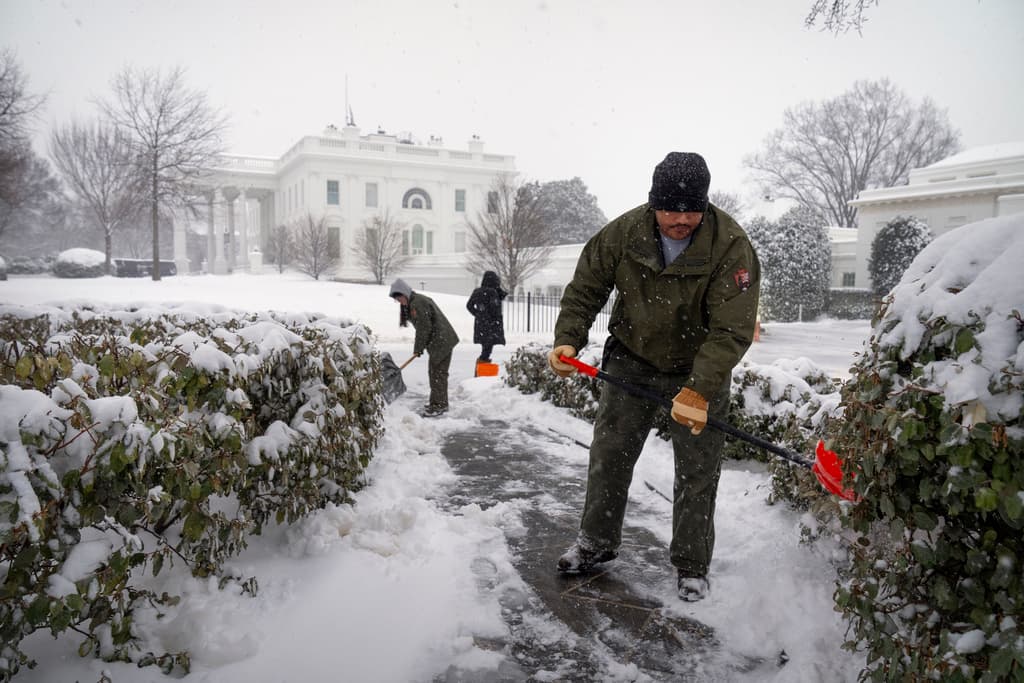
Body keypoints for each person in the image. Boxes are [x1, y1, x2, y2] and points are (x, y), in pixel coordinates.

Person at [547, 152, 760, 602]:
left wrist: (699, 390)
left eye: (691, 209)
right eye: (670, 209)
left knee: (697, 470)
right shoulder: (625, 233)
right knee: (610, 454)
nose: (681, 219)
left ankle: (692, 564)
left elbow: (731, 329)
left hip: (698, 365)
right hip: (633, 358)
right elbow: (586, 287)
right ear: (652, 203)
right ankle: (595, 544)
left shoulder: (730, 245)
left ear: (705, 204)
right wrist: (568, 338)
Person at [389, 278, 459, 417]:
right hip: (440, 340)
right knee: (435, 373)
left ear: (404, 293)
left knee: (438, 374)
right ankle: (437, 403)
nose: (399, 301)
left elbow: (423, 328)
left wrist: (418, 348)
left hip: (441, 342)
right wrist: (420, 347)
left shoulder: (417, 304)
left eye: (399, 298)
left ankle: (439, 406)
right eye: (396, 299)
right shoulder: (415, 301)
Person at [465, 270, 508, 363]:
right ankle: (482, 367)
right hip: (491, 324)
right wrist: (494, 319)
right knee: (488, 347)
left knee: (486, 346)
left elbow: (469, 305)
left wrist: (478, 314)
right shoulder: (493, 292)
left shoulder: (477, 291)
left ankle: (482, 366)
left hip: (480, 323)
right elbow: (495, 309)